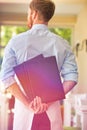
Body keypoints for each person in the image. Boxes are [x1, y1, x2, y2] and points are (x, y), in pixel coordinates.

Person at [0, 0, 78, 130]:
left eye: (28, 13)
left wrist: (28, 103)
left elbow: (6, 77)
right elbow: (72, 78)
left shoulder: (15, 42)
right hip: (51, 110)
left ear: (34, 13)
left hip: (24, 110)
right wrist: (47, 100)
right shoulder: (62, 44)